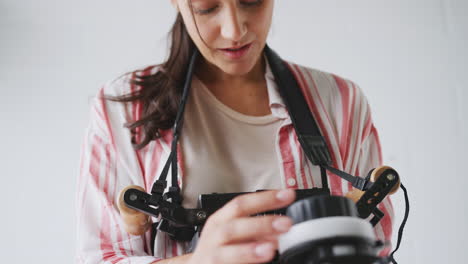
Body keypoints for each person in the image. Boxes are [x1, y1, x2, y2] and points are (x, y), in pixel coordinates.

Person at [76, 0, 394, 263]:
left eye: (252, 1)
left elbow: (377, 245)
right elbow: (103, 257)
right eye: (206, 7)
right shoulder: (122, 110)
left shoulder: (342, 101)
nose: (235, 30)